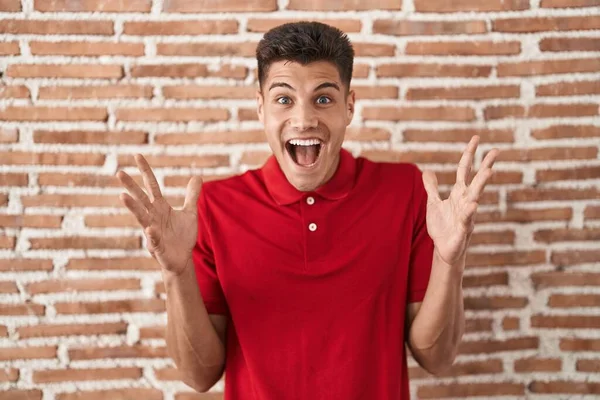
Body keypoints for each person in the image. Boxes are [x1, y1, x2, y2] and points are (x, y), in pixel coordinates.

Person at [116, 21, 499, 400]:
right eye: (284, 99)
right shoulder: (214, 208)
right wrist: (175, 272)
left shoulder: (405, 192)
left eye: (323, 98)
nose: (304, 119)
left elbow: (438, 357)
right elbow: (198, 376)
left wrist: (451, 260)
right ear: (261, 108)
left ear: (349, 106)